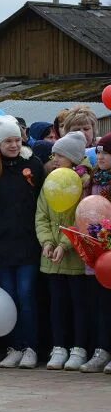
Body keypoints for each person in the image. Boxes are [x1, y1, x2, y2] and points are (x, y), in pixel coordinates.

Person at [0, 122, 44, 369]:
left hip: (28, 244)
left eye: (17, 140)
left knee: (26, 294)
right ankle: (14, 346)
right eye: (8, 142)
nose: (14, 145)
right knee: (9, 297)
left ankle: (31, 347)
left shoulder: (33, 165)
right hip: (1, 245)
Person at [36, 133, 91, 371]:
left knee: (78, 304)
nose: (55, 159)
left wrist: (65, 244)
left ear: (73, 158)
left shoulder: (84, 185)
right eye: (54, 155)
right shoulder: (50, 181)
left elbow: (84, 219)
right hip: (51, 256)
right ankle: (59, 347)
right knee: (57, 304)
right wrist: (47, 242)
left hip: (76, 254)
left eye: (60, 155)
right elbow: (42, 216)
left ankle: (79, 348)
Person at [82, 134, 111, 373]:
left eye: (106, 153)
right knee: (99, 305)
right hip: (96, 253)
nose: (101, 157)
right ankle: (101, 350)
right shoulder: (91, 181)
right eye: (99, 152)